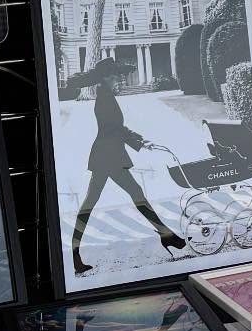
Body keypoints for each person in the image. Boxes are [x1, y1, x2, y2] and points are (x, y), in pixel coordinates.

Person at [66, 57, 185, 275]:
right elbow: (114, 129)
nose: (118, 80)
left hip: (108, 154)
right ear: (106, 78)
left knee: (94, 203)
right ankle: (166, 235)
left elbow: (118, 128)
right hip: (107, 156)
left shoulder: (106, 95)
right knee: (124, 196)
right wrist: (138, 142)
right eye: (115, 77)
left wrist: (140, 140)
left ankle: (75, 254)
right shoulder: (104, 98)